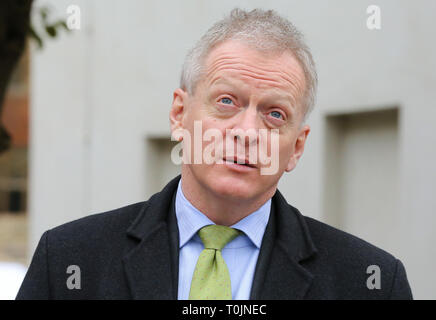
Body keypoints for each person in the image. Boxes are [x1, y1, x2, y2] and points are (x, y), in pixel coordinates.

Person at [16, 8, 412, 300]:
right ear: (179, 114)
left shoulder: (369, 282)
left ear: (298, 146)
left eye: (275, 114)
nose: (246, 132)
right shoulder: (69, 262)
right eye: (226, 101)